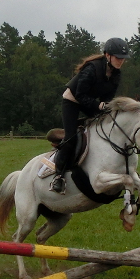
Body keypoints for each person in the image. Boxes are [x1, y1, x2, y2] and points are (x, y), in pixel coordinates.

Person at [51, 37, 130, 193]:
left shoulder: (116, 74)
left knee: (107, 126)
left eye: (123, 58)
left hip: (89, 102)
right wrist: (98, 106)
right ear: (107, 55)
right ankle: (58, 176)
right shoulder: (92, 68)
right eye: (118, 57)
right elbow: (80, 94)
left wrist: (107, 107)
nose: (121, 61)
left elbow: (108, 98)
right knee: (71, 138)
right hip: (72, 100)